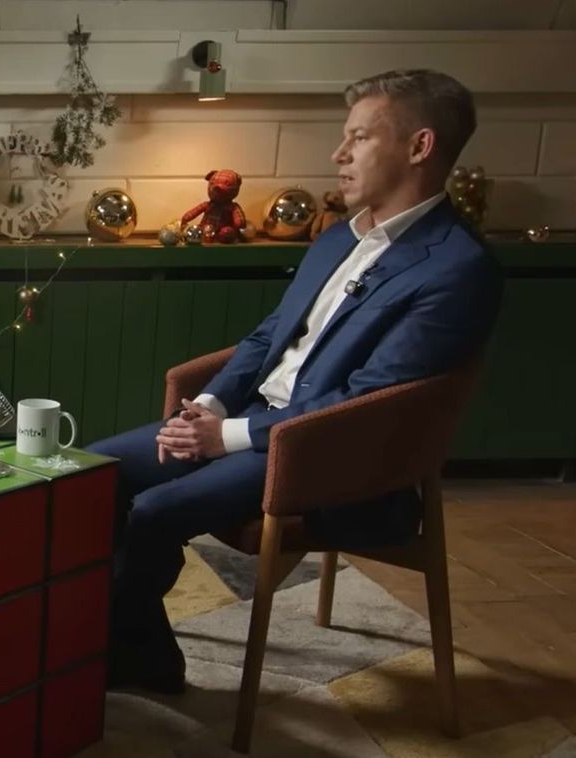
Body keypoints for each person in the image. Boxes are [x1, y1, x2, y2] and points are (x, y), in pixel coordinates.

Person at [88, 69, 504, 694]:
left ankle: (120, 657)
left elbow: (365, 402)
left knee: (152, 511)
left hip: (326, 452)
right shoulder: (337, 238)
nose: (339, 154)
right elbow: (267, 338)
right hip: (253, 421)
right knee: (89, 475)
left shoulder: (457, 268)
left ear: (420, 146)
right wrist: (210, 404)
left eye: (359, 138)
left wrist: (225, 437)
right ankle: (138, 646)